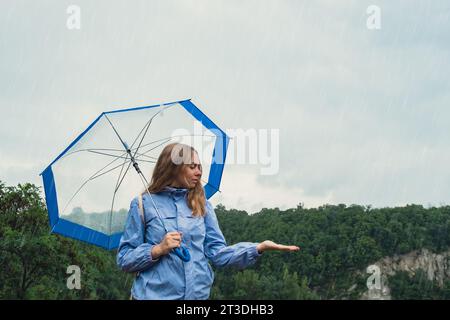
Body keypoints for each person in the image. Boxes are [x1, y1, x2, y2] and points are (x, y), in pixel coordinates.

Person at [117, 143, 299, 300]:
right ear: (174, 168)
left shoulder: (202, 205)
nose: (199, 172)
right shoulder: (142, 204)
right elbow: (124, 259)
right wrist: (157, 249)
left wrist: (258, 248)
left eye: (199, 166)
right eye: (192, 166)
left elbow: (218, 253)